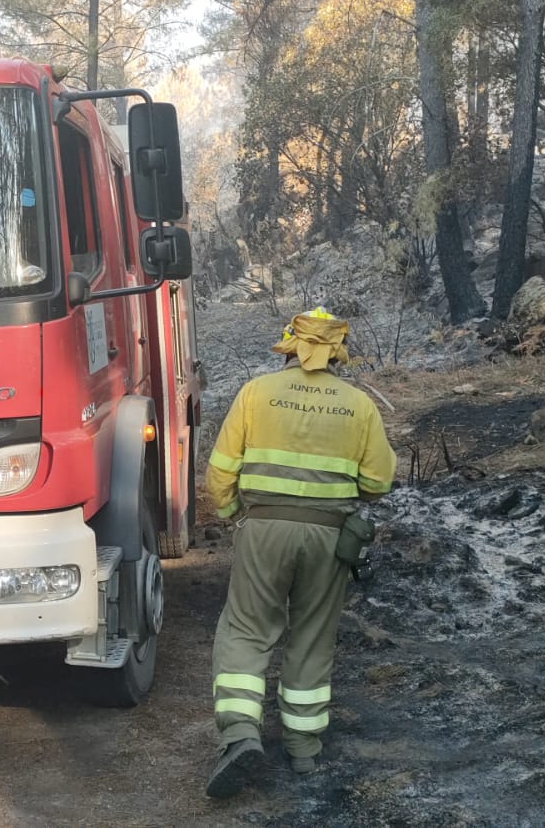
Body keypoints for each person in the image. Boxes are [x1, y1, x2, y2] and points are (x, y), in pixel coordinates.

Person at [203, 307, 396, 799]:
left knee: (246, 629)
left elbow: (220, 472)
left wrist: (232, 516)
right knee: (312, 635)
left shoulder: (256, 394)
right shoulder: (359, 405)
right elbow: (378, 481)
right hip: (330, 537)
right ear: (336, 352)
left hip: (263, 529)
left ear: (290, 344)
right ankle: (304, 750)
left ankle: (241, 735)